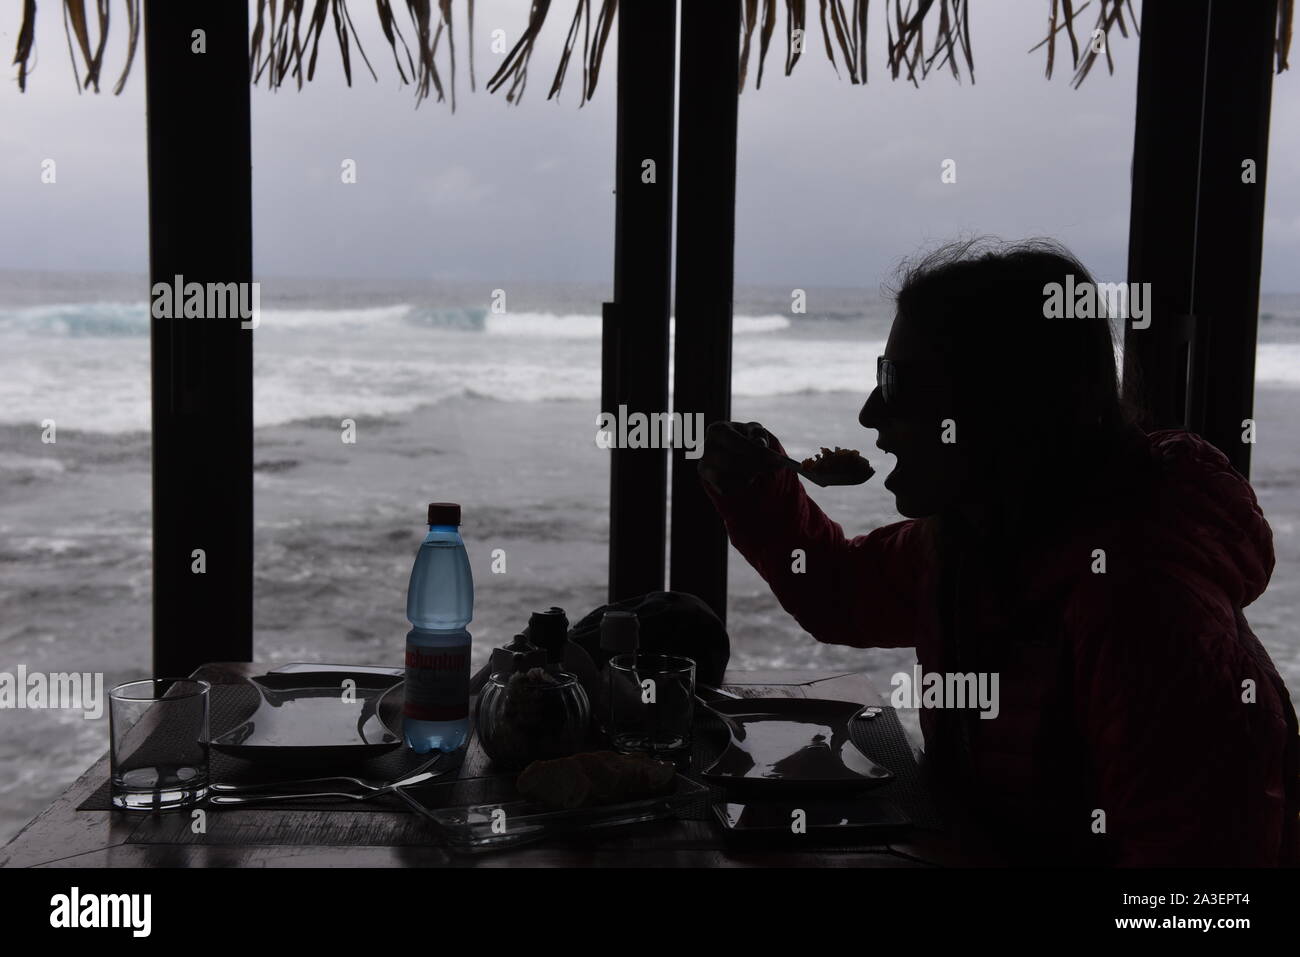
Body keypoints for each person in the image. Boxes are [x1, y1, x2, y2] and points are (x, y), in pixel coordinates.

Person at [699, 238, 1298, 866]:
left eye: (897, 381)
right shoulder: (982, 540)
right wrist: (757, 488)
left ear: (1003, 405)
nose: (870, 412)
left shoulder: (1141, 614)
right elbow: (843, 594)